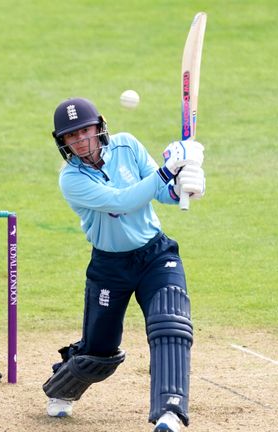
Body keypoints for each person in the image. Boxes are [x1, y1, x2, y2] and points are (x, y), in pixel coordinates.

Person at [42, 97, 205, 432]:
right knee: (100, 352)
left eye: (85, 130)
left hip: (155, 255)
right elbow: (123, 201)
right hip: (109, 266)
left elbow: (160, 193)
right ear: (63, 143)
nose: (81, 141)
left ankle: (170, 411)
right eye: (72, 136)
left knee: (170, 324)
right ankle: (63, 386)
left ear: (100, 126)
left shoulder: (127, 146)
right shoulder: (71, 180)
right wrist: (167, 170)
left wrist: (182, 185)